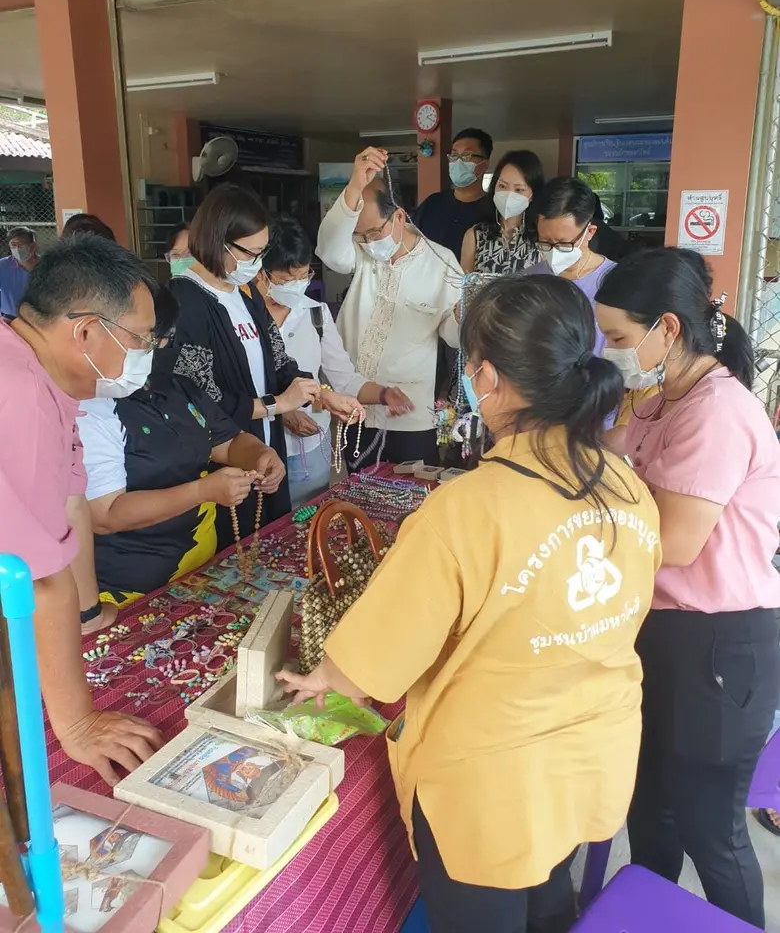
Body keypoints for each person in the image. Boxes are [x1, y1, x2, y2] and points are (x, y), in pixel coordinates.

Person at [278, 274, 660, 933]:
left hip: (492, 788)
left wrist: (320, 681)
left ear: (486, 377)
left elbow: (368, 668)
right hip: (588, 756)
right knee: (548, 896)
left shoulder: (466, 509)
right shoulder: (626, 486)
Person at [595, 247, 780, 928]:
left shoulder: (717, 411)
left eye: (618, 337)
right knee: (651, 812)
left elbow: (674, 544)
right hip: (662, 632)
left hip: (718, 645)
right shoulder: (660, 400)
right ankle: (649, 913)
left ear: (666, 327)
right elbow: (610, 458)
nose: (611, 351)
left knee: (711, 830)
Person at [0, 234, 162, 784]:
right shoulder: (19, 396)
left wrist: (88, 613)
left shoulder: (43, 375)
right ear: (87, 331)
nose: (147, 354)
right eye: (140, 338)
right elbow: (33, 579)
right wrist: (76, 723)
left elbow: (69, 510)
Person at [78, 287, 286, 603]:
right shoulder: (93, 407)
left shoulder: (178, 388)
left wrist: (260, 455)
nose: (162, 347)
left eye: (167, 339)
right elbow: (105, 515)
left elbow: (228, 442)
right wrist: (203, 491)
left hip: (201, 571)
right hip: (130, 589)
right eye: (151, 339)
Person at [169, 183, 319, 537]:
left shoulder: (246, 295)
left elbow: (280, 363)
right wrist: (277, 405)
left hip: (267, 453)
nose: (257, 263)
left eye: (262, 252)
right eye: (250, 253)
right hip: (223, 465)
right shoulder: (186, 302)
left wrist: (322, 395)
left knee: (274, 543)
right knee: (234, 552)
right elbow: (200, 404)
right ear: (217, 241)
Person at [316, 148, 462, 466]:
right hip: (354, 407)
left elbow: (453, 336)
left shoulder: (441, 262)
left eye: (374, 232)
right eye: (359, 235)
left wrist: (462, 314)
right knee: (356, 490)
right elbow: (329, 251)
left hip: (408, 414)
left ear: (398, 217)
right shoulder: (360, 253)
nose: (368, 242)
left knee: (411, 491)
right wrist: (355, 185)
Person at [258, 215, 413, 504]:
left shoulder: (316, 314)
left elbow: (344, 379)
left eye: (303, 276)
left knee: (307, 521)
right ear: (261, 273)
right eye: (286, 280)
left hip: (309, 451)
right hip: (257, 449)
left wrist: (383, 394)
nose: (295, 286)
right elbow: (235, 389)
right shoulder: (242, 316)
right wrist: (282, 412)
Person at [533, 177, 615, 354]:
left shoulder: (616, 281)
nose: (553, 251)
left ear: (589, 232)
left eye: (563, 244)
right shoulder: (530, 280)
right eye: (545, 242)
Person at [413, 128, 495, 261]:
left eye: (466, 156)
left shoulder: (493, 211)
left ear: (484, 165)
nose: (458, 161)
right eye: (454, 155)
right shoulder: (432, 204)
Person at [460, 150, 544, 274]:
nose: (509, 194)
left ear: (533, 195)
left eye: (519, 189)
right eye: (503, 186)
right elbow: (464, 282)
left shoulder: (542, 237)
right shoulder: (475, 235)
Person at [0, 226, 38, 318]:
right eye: (13, 245)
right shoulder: (2, 266)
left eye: (21, 245)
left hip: (38, 320)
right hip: (9, 319)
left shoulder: (45, 266)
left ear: (33, 246)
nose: (17, 248)